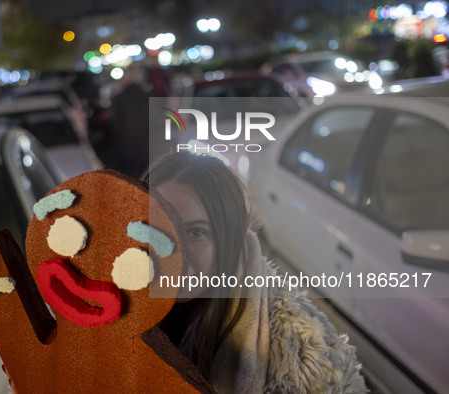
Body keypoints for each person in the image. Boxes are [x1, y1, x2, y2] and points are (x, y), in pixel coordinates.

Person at [143, 152, 367, 393]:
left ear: (228, 239)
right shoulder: (113, 302)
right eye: (159, 228)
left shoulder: (300, 359)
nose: (174, 254)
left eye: (196, 233)